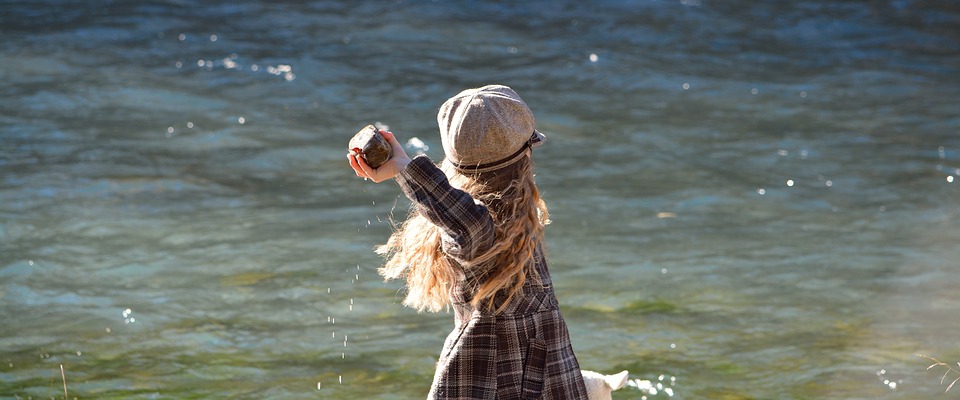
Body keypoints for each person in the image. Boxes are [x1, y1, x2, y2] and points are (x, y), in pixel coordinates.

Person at [348, 84, 589, 399]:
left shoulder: (513, 217)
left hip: (523, 377)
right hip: (493, 385)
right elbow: (465, 218)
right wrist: (404, 170)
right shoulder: (483, 232)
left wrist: (406, 167)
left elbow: (454, 207)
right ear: (525, 155)